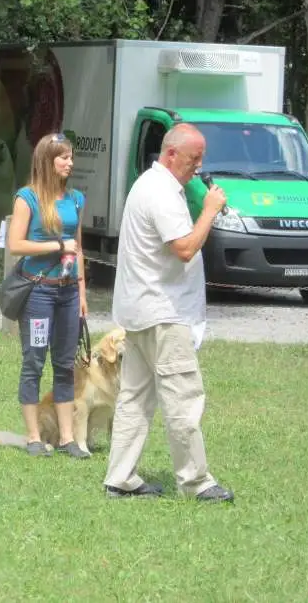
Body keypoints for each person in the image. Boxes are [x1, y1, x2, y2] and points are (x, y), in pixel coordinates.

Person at [103, 123, 234, 502]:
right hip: (164, 314)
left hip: (141, 311)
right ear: (172, 153)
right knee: (183, 397)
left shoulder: (148, 184)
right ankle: (197, 483)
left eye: (202, 158)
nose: (199, 166)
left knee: (134, 398)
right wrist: (209, 211)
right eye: (194, 158)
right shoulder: (161, 192)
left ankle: (120, 478)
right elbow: (185, 248)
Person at [6, 133, 89, 459]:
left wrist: (82, 293)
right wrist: (56, 245)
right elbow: (16, 245)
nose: (70, 163)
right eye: (64, 157)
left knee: (65, 364)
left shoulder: (76, 199)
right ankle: (33, 437)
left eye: (71, 157)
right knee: (34, 362)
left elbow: (78, 248)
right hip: (38, 292)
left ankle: (67, 438)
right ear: (47, 161)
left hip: (68, 293)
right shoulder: (26, 198)